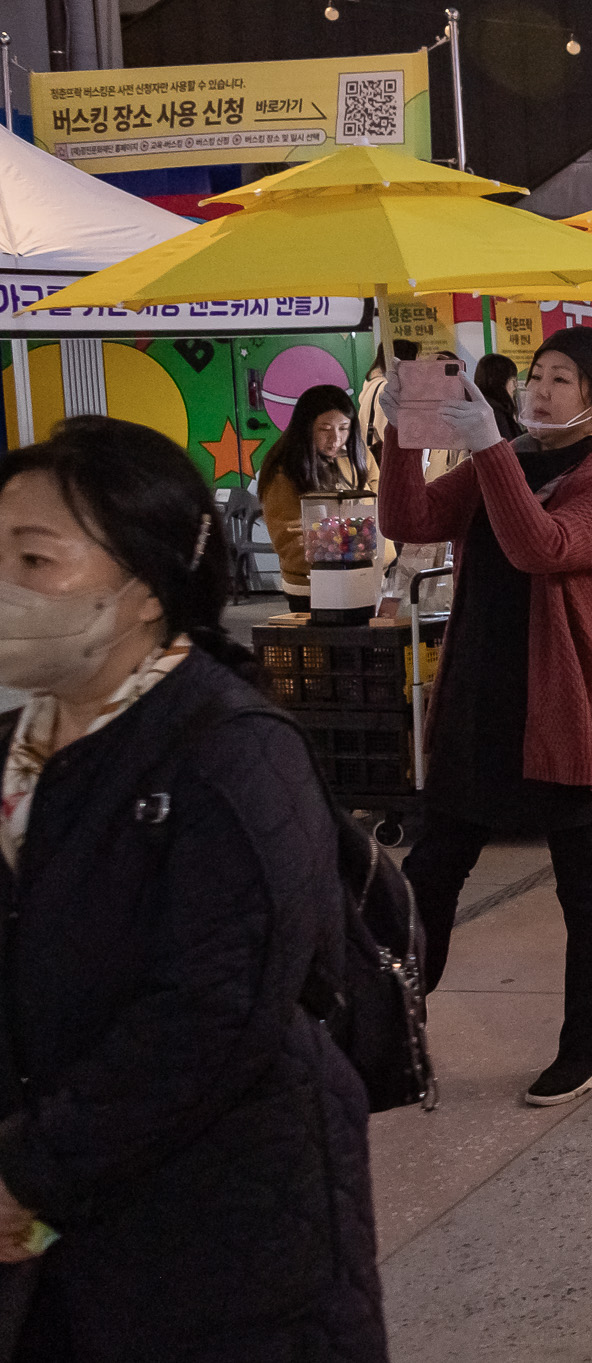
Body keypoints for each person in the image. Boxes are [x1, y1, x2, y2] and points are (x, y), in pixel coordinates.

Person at [0, 417, 385, 1360]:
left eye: (33, 559)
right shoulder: (21, 741)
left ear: (143, 585)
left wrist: (28, 1175)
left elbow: (211, 1014)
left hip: (217, 1235)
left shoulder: (232, 753)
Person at [381, 327, 592, 1108]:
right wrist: (405, 432)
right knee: (428, 873)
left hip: (558, 710)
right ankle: (389, 1036)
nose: (540, 388)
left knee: (585, 884)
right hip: (478, 701)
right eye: (536, 374)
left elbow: (540, 545)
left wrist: (490, 445)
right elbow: (413, 517)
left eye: (561, 378)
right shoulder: (515, 459)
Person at [257, 383, 370, 613]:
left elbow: (376, 506)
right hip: (311, 586)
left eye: (344, 428)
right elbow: (290, 538)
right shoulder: (285, 469)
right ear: (306, 428)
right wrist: (349, 551)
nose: (335, 439)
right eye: (325, 429)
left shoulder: (354, 458)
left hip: (360, 577)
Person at [358, 336, 418, 456]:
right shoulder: (386, 389)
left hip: (369, 453)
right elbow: (387, 431)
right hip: (384, 457)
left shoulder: (373, 384)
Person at [475, 352, 524, 441]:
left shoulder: (478, 409)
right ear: (500, 381)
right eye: (513, 380)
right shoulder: (496, 415)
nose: (515, 386)